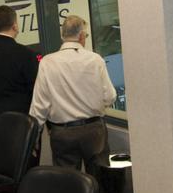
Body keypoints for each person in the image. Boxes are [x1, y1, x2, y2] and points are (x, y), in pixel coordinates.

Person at [30, 15, 116, 173]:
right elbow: (109, 96)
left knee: (68, 183)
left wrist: (34, 137)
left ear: (63, 36)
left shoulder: (47, 63)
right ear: (82, 36)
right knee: (100, 179)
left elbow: (39, 105)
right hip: (94, 130)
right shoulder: (95, 60)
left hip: (63, 133)